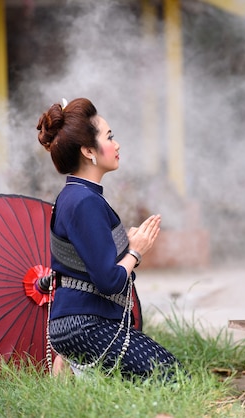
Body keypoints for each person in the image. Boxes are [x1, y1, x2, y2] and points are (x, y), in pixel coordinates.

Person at [36, 97, 181, 379]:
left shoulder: (74, 195)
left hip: (76, 324)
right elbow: (108, 280)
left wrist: (124, 244)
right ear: (89, 151)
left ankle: (74, 374)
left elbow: (84, 261)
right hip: (87, 326)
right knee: (173, 376)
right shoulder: (85, 201)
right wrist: (136, 251)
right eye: (110, 137)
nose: (117, 144)